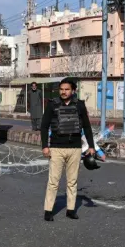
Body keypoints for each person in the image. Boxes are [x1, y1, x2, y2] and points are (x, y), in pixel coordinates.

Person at [41, 78, 95, 221]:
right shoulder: (52, 105)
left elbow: (87, 127)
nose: (64, 92)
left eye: (67, 89)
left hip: (75, 148)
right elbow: (44, 126)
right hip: (56, 148)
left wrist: (91, 146)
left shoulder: (80, 106)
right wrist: (45, 146)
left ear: (73, 91)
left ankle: (71, 210)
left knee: (72, 181)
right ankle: (48, 210)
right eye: (61, 89)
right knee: (53, 181)